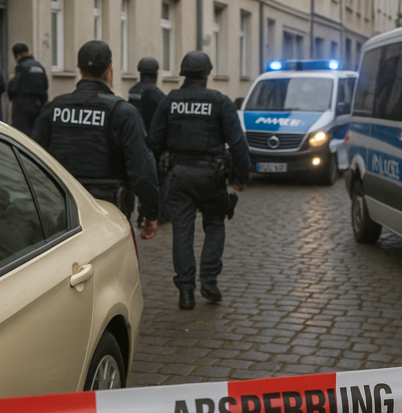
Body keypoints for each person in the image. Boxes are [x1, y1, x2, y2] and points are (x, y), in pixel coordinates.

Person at [148, 50, 250, 310]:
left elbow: (154, 141)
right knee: (215, 224)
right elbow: (237, 143)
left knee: (182, 230)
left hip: (178, 175)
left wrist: (159, 175)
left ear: (183, 73)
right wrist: (240, 177)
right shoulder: (220, 101)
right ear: (207, 74)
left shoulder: (170, 100)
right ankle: (209, 281)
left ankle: (185, 292)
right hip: (212, 177)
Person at [32, 40, 159, 241]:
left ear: (80, 70)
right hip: (109, 209)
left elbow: (33, 157)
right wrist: (151, 213)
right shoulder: (123, 112)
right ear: (110, 69)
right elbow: (141, 168)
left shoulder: (54, 108)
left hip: (62, 207)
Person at [9, 42, 48, 134]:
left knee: (21, 134)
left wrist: (10, 81)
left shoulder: (21, 67)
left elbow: (14, 89)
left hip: (23, 106)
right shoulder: (39, 66)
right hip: (38, 105)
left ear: (17, 55)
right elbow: (45, 86)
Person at [128, 57, 165, 130]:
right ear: (156, 74)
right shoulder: (155, 93)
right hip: (148, 132)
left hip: (135, 131)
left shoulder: (133, 90)